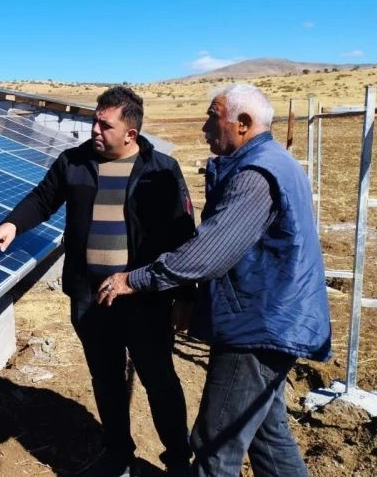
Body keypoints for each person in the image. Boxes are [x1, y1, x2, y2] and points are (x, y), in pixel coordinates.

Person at [101, 83, 332, 476]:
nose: (205, 128)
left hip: (258, 328)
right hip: (276, 318)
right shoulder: (275, 161)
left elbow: (206, 255)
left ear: (242, 124)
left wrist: (134, 280)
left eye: (213, 116)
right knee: (267, 434)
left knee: (215, 445)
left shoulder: (255, 176)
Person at [0, 86, 195, 476]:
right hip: (89, 296)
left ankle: (178, 458)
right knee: (106, 377)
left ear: (130, 133)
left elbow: (182, 234)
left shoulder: (162, 170)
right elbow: (43, 198)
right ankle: (117, 451)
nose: (94, 129)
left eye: (104, 124)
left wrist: (185, 295)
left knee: (159, 379)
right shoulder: (74, 163)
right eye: (94, 121)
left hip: (143, 296)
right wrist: (13, 223)